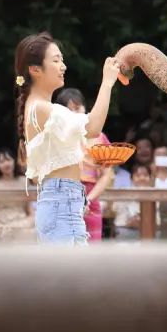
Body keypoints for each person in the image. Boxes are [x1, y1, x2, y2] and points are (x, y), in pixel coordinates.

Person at [15, 31, 119, 332]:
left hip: (64, 202)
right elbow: (91, 127)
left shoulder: (40, 107)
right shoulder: (43, 108)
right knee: (61, 300)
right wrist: (107, 81)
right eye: (56, 60)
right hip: (60, 204)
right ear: (35, 70)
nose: (63, 65)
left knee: (60, 299)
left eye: (61, 59)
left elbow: (82, 144)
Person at [56, 88, 116, 243]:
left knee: (92, 253)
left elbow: (107, 175)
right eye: (68, 111)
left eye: (77, 109)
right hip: (64, 197)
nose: (74, 114)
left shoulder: (99, 137)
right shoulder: (56, 138)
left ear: (85, 108)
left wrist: (87, 200)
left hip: (91, 198)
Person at [0, 147, 35, 243]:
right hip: (3, 220)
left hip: (22, 218)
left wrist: (32, 218)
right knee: (8, 232)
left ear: (14, 161)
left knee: (30, 231)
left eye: (8, 160)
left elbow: (29, 207)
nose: (6, 164)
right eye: (1, 162)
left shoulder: (24, 181)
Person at [112, 162, 153, 241]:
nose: (142, 178)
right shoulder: (123, 193)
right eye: (138, 175)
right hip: (124, 230)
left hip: (148, 232)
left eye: (145, 175)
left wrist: (142, 221)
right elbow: (116, 212)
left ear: (150, 178)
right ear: (131, 178)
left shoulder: (155, 194)